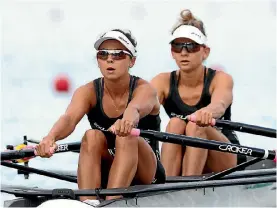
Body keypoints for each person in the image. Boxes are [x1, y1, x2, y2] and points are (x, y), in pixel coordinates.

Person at [35, 28, 165, 205]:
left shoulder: (145, 89)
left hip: (147, 174)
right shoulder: (88, 92)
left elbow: (134, 109)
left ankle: (111, 202)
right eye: (103, 54)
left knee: (126, 135)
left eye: (119, 54)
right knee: (91, 136)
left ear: (132, 61)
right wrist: (50, 138)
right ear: (98, 60)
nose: (110, 59)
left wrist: (126, 122)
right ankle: (88, 202)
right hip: (110, 167)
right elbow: (69, 118)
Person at [150, 9, 247, 177]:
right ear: (172, 52)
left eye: (191, 46)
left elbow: (220, 104)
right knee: (175, 124)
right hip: (185, 154)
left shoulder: (220, 79)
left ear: (205, 51)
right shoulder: (162, 81)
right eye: (178, 46)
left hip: (225, 155)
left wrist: (208, 112)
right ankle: (167, 188)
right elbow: (144, 103)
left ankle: (187, 188)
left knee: (196, 125)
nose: (184, 52)